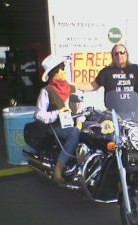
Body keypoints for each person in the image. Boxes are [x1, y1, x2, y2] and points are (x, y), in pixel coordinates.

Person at [35, 54, 83, 183]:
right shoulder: (46, 91)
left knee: (96, 126)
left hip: (73, 124)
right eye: (60, 68)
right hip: (56, 126)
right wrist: (57, 112)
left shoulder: (72, 89)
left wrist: (80, 123)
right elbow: (39, 115)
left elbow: (80, 109)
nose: (64, 70)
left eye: (63, 67)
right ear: (53, 74)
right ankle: (59, 168)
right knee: (74, 133)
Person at [71, 44, 138, 100]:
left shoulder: (136, 69)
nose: (119, 56)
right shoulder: (106, 72)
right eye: (116, 54)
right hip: (113, 113)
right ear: (112, 56)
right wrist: (71, 84)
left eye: (122, 53)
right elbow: (92, 86)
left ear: (126, 54)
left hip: (134, 113)